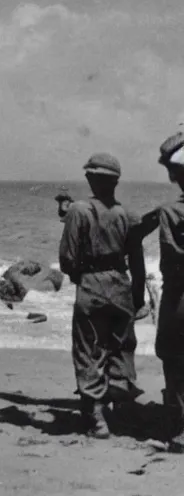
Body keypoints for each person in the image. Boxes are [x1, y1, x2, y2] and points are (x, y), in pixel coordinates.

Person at [58, 153, 140, 439]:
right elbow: (137, 259)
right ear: (116, 182)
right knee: (120, 349)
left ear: (90, 178)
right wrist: (137, 296)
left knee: (88, 350)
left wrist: (80, 276)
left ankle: (96, 417)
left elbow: (68, 258)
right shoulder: (127, 214)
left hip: (92, 284)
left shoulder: (79, 210)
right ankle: (120, 411)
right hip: (121, 284)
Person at [148, 131, 184, 450]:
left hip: (179, 298)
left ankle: (180, 431)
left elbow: (171, 262)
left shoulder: (170, 212)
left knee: (174, 360)